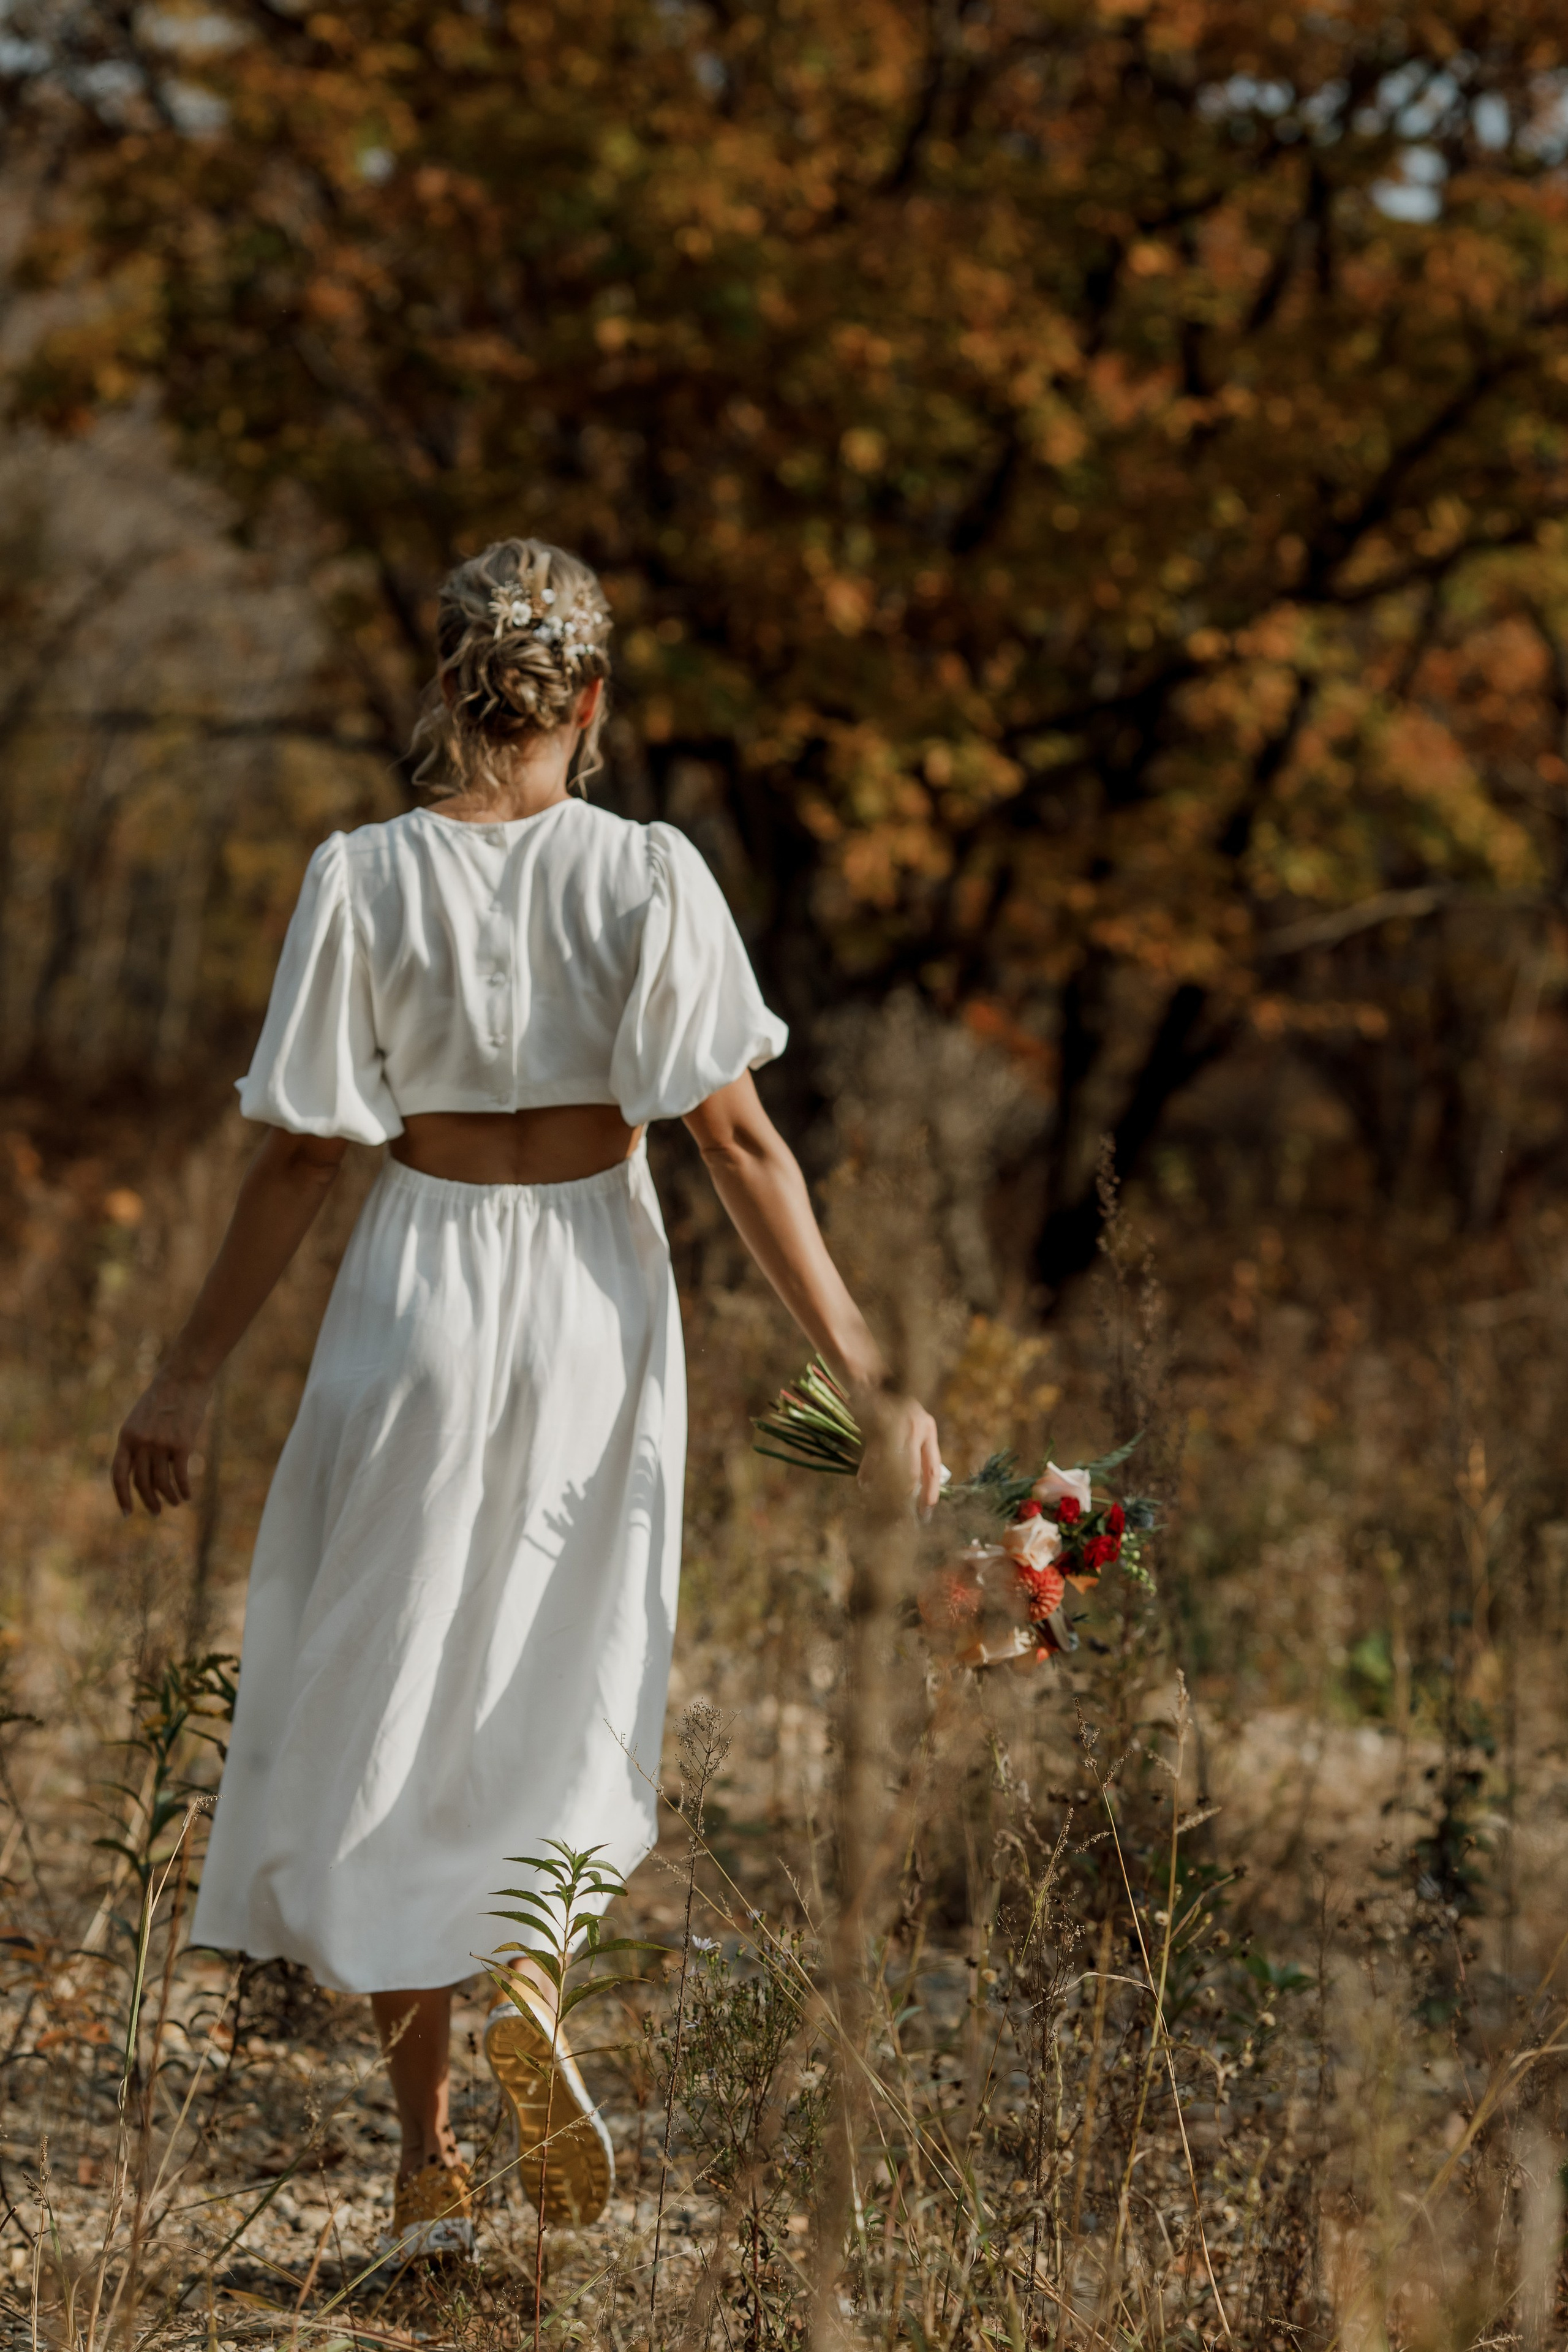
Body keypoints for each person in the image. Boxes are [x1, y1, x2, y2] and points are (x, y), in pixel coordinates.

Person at [110, 538, 942, 2261]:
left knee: (396, 1699)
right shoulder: (646, 877)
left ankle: (426, 2172)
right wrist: (867, 1370)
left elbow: (292, 1164)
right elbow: (734, 1139)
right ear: (590, 702)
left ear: (444, 689)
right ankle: (534, 1973)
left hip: (411, 1283)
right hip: (586, 1302)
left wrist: (185, 1377)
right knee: (566, 1673)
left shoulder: (360, 877)